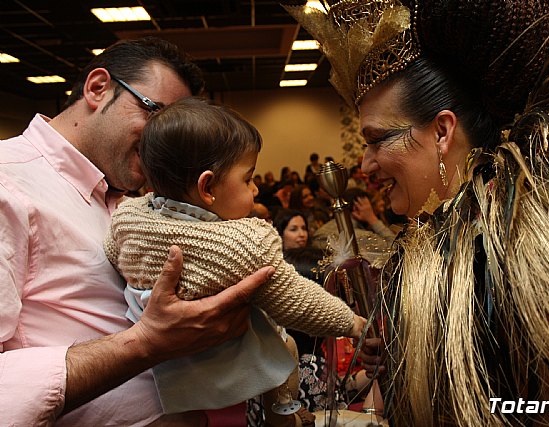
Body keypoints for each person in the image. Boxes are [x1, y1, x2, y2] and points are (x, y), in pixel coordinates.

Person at [285, 0, 549, 425]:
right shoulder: (440, 251)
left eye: (378, 139)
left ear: (442, 131)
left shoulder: (513, 253)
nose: (365, 164)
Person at [0, 37, 275, 426]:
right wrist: (145, 344)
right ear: (98, 88)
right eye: (155, 113)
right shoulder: (9, 182)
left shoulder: (132, 198)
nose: (167, 143)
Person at [104, 97, 366, 418]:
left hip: (157, 381)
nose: (255, 190)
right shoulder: (241, 244)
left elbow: (113, 254)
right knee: (285, 348)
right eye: (248, 178)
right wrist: (351, 323)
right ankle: (283, 416)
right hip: (224, 380)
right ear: (208, 187)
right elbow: (297, 301)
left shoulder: (128, 216)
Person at [312, 188, 396, 268]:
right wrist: (372, 219)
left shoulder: (321, 231)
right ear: (357, 208)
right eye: (369, 208)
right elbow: (395, 248)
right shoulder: (361, 236)